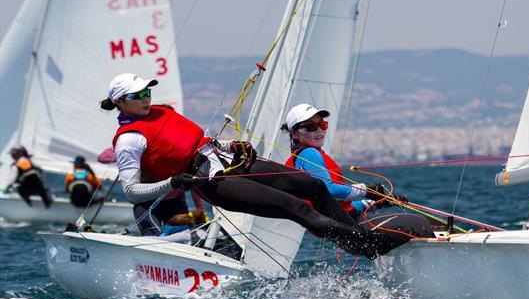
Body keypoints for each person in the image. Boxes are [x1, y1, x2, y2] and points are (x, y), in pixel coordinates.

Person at [101, 73, 407, 259]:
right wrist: (173, 183)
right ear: (120, 102)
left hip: (232, 161)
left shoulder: (159, 112)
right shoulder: (129, 140)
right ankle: (367, 246)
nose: (145, 98)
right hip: (214, 182)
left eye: (146, 91)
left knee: (311, 185)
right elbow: (131, 192)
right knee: (297, 209)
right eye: (136, 95)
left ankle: (357, 234)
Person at [283, 103, 435, 239]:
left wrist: (375, 201)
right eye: (310, 127)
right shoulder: (309, 154)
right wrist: (367, 189)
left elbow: (342, 206)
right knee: (421, 223)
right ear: (295, 134)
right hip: (352, 229)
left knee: (425, 222)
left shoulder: (301, 158)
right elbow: (329, 190)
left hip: (345, 229)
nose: (319, 130)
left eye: (322, 124)